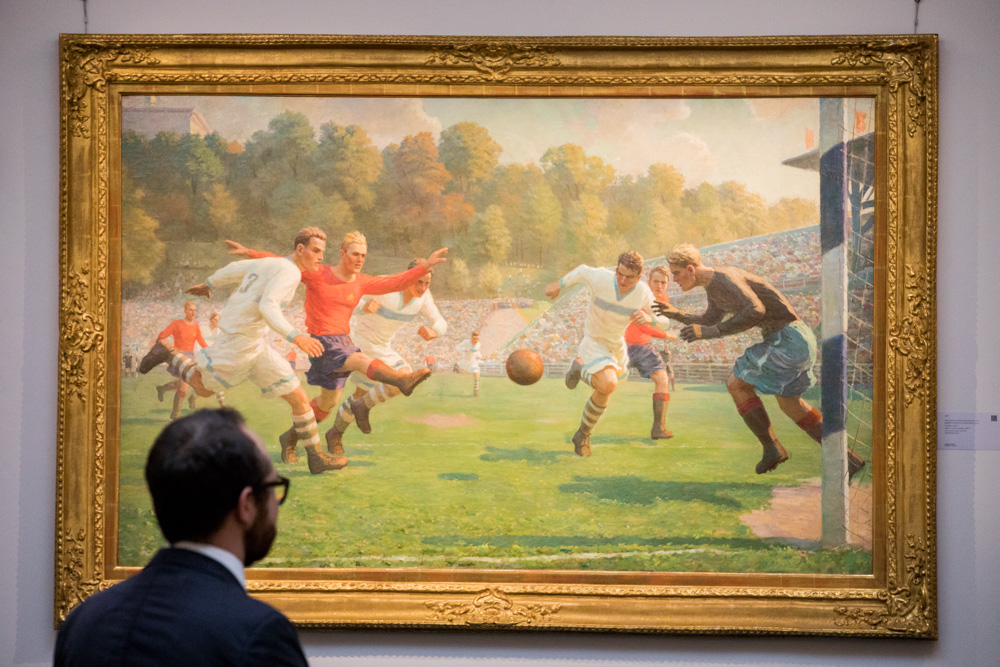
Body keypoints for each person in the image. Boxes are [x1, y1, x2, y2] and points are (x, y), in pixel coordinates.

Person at [54, 409, 308, 666]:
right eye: (272, 488)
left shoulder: (83, 623)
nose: (275, 505)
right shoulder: (258, 635)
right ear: (246, 505)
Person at [225, 233, 447, 463]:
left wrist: (425, 267)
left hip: (343, 341)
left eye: (363, 255)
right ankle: (400, 380)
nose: (359, 259)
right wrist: (250, 252)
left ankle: (290, 438)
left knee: (326, 404)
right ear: (342, 254)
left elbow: (396, 282)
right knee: (360, 360)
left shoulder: (362, 281)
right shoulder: (318, 273)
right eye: (355, 254)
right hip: (324, 342)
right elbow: (282, 264)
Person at [138, 227, 345, 475]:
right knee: (203, 388)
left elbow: (235, 269)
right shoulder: (289, 272)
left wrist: (210, 283)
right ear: (300, 249)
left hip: (253, 343)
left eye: (322, 251)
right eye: (316, 250)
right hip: (239, 342)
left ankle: (316, 458)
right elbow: (268, 306)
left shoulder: (271, 263)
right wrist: (296, 336)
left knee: (298, 396)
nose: (321, 256)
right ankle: (168, 352)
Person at [652, 243, 865, 479]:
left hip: (787, 339)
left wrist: (711, 332)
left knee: (736, 384)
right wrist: (677, 314)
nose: (675, 280)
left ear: (690, 269)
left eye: (676, 273)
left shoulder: (725, 278)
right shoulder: (714, 287)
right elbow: (710, 320)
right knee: (791, 405)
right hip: (796, 338)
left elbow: (755, 310)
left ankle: (773, 448)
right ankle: (848, 458)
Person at [545, 251, 664, 456]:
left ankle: (580, 373)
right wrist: (559, 284)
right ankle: (583, 435)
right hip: (594, 340)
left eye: (629, 277)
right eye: (620, 273)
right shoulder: (602, 278)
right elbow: (582, 271)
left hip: (616, 346)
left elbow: (665, 319)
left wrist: (651, 319)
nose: (623, 280)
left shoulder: (643, 293)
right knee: (608, 383)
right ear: (616, 269)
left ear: (639, 277)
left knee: (608, 387)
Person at [325, 259, 447, 456]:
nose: (423, 288)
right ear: (408, 277)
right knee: (404, 376)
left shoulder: (423, 298)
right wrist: (363, 306)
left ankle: (335, 433)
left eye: (427, 283)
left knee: (360, 395)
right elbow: (345, 298)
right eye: (419, 281)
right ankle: (361, 408)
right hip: (360, 342)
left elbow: (440, 320)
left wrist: (435, 331)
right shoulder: (385, 285)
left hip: (382, 347)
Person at [623, 265, 679, 439]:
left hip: (643, 346)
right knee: (605, 380)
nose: (659, 285)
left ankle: (658, 429)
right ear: (648, 282)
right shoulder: (641, 295)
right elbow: (642, 325)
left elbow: (658, 322)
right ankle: (580, 365)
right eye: (656, 281)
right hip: (624, 345)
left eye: (663, 282)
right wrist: (665, 335)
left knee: (662, 379)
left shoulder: (664, 299)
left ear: (668, 284)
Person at [153, 300, 209, 420]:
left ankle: (162, 388)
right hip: (178, 356)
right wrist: (169, 348)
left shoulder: (195, 326)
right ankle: (175, 414)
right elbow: (161, 336)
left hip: (190, 357)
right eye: (190, 310)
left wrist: (211, 352)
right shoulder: (176, 324)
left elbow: (202, 342)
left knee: (183, 384)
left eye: (195, 310)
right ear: (185, 311)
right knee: (184, 386)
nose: (193, 313)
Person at [188, 311, 226, 411]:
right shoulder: (203, 329)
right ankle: (193, 397)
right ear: (210, 320)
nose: (217, 322)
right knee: (204, 382)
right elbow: (196, 342)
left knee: (216, 380)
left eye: (218, 320)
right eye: (215, 320)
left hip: (214, 360)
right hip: (203, 358)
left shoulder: (219, 332)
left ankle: (222, 405)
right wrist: (196, 355)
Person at [453, 331, 483, 397]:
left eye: (477, 339)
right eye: (475, 339)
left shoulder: (478, 344)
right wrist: (464, 349)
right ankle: (457, 367)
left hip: (472, 361)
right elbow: (457, 347)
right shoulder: (466, 342)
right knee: (459, 372)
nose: (476, 340)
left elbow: (477, 351)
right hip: (465, 361)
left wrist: (480, 357)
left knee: (476, 372)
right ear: (471, 338)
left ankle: (476, 390)